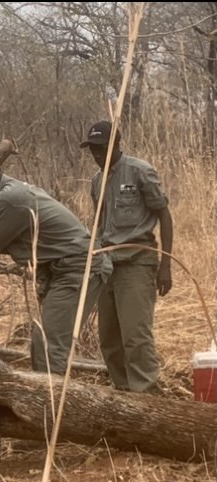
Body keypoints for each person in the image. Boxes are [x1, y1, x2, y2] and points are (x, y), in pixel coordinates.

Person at [0, 155, 111, 374]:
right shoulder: (11, 194)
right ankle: (46, 397)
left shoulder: (9, 199)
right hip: (64, 269)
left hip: (78, 268)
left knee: (49, 343)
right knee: (43, 341)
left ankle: (53, 402)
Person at [81, 121, 173, 393]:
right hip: (106, 266)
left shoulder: (139, 172)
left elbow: (164, 216)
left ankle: (145, 394)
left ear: (115, 145)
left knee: (135, 336)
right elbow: (100, 225)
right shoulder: (96, 182)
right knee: (109, 338)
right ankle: (123, 394)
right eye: (92, 150)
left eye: (101, 149)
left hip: (136, 263)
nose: (96, 155)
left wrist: (165, 265)